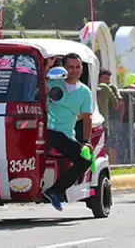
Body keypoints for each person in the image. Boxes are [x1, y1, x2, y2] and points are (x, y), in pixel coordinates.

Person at [43, 53, 93, 211]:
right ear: (63, 68)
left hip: (65, 135)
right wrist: (46, 67)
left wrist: (86, 142)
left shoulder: (85, 92)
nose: (74, 70)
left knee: (85, 160)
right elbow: (38, 86)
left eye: (77, 67)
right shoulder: (53, 82)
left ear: (82, 69)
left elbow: (87, 118)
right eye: (70, 67)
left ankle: (55, 191)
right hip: (46, 130)